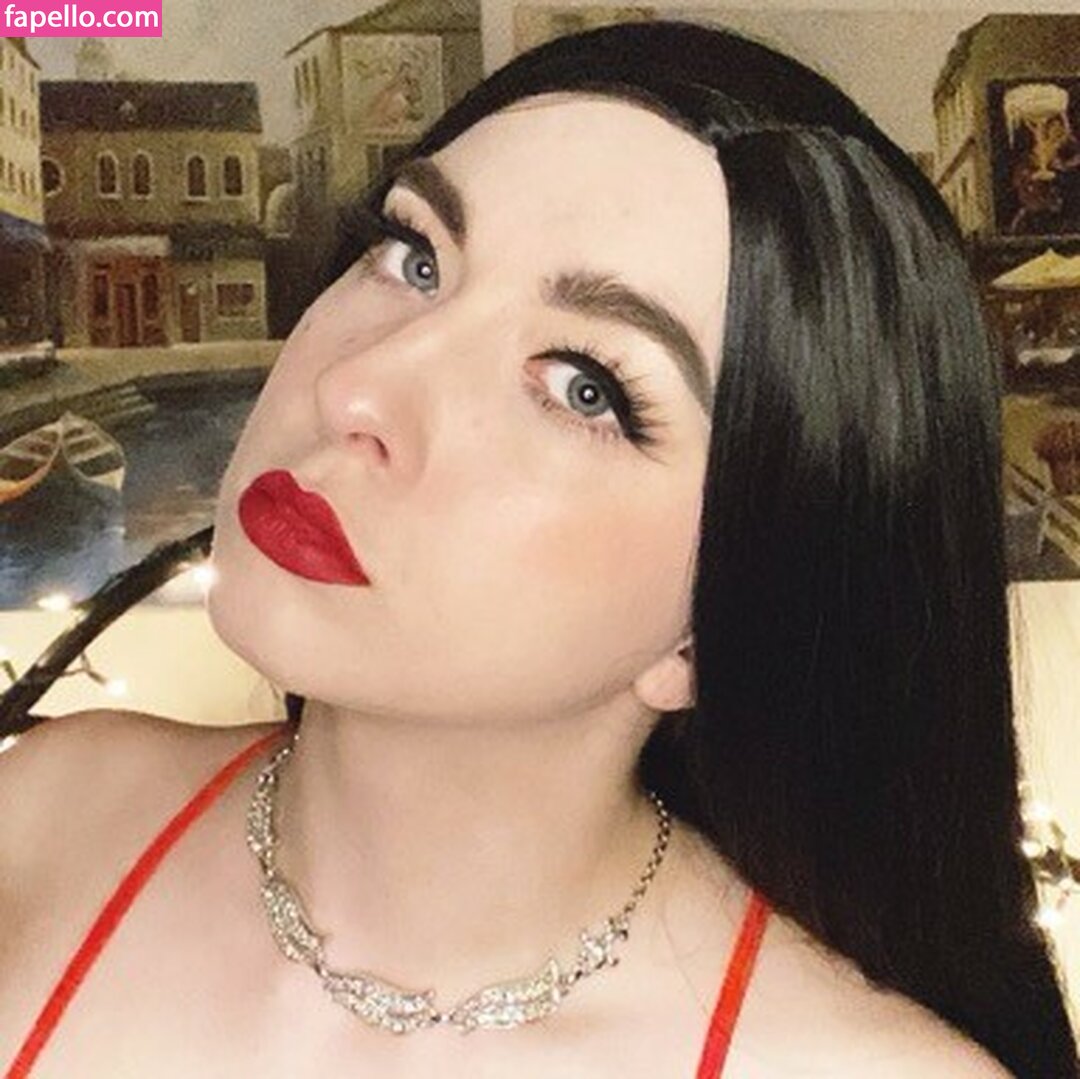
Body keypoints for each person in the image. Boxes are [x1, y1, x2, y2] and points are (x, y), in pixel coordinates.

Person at [1, 20, 1077, 1078]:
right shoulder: (48, 816)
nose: (354, 387)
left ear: (719, 621)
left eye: (585, 387)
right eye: (415, 256)